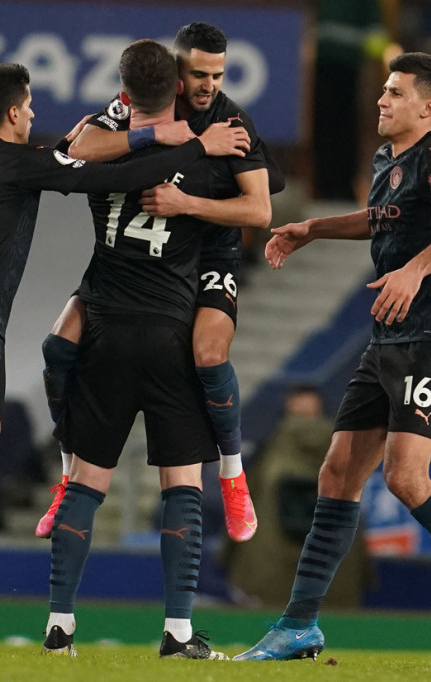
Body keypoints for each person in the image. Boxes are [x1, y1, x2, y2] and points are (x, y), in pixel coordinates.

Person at [0, 62, 249, 655]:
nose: (32, 115)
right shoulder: (17, 162)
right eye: (27, 106)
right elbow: (101, 178)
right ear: (11, 112)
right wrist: (189, 142)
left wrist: (77, 145)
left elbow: (59, 160)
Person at [234, 53, 431, 665]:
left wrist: (415, 271)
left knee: (404, 477)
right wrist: (312, 228)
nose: (382, 101)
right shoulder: (388, 161)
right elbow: (383, 218)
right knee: (337, 474)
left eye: (395, 93)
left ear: (428, 108)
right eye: (383, 92)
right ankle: (298, 626)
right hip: (389, 337)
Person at [36, 21, 282, 544]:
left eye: (218, 74)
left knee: (209, 351)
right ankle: (67, 471)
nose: (209, 84)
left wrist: (187, 202)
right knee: (59, 344)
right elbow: (79, 148)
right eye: (199, 73)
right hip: (136, 255)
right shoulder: (141, 104)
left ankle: (233, 474)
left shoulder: (231, 119)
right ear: (175, 72)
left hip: (208, 245)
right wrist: (158, 134)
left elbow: (259, 210)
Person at [41, 38, 240, 661]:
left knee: (86, 482)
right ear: (179, 86)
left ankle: (58, 625)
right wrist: (197, 148)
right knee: (181, 483)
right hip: (168, 332)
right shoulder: (204, 153)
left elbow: (70, 153)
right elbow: (251, 208)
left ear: (123, 94)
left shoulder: (104, 144)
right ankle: (178, 632)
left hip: (104, 326)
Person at [223, 384, 369, 609]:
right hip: (332, 569)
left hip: (269, 568)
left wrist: (227, 554)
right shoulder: (343, 450)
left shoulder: (271, 452)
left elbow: (243, 502)